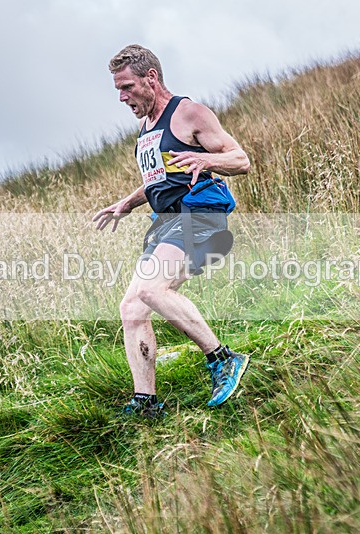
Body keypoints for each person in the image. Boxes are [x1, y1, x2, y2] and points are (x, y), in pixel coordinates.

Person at [93, 44, 252, 417]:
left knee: (151, 289)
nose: (122, 97)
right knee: (132, 306)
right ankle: (146, 403)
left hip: (199, 215)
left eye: (127, 86)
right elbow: (158, 181)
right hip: (166, 224)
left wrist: (204, 157)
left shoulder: (189, 113)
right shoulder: (145, 128)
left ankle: (224, 359)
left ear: (151, 78)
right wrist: (126, 203)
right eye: (118, 89)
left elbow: (240, 159)